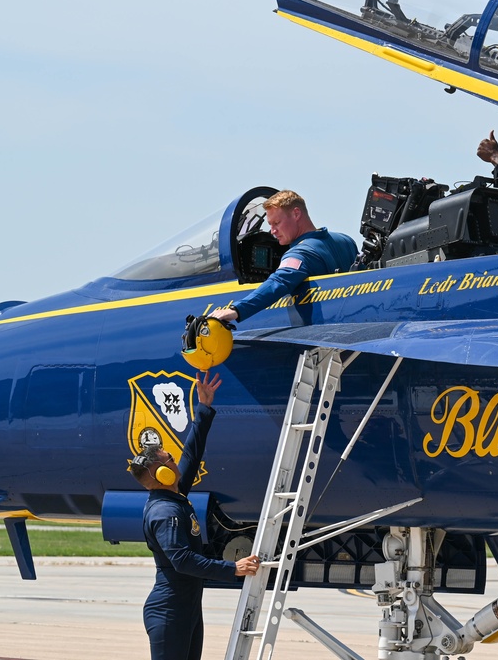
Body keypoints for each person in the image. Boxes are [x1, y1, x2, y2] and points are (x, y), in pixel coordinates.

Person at [129, 371, 260, 660]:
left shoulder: (174, 494)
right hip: (169, 611)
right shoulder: (165, 512)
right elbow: (182, 560)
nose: (175, 461)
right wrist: (232, 569)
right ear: (162, 474)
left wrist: (203, 409)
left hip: (186, 608)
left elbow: (191, 453)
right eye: (168, 460)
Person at [209, 189, 358, 323]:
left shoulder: (300, 254)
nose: (272, 231)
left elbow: (278, 281)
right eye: (270, 225)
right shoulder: (346, 241)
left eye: (277, 223)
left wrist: (236, 310)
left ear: (296, 214)